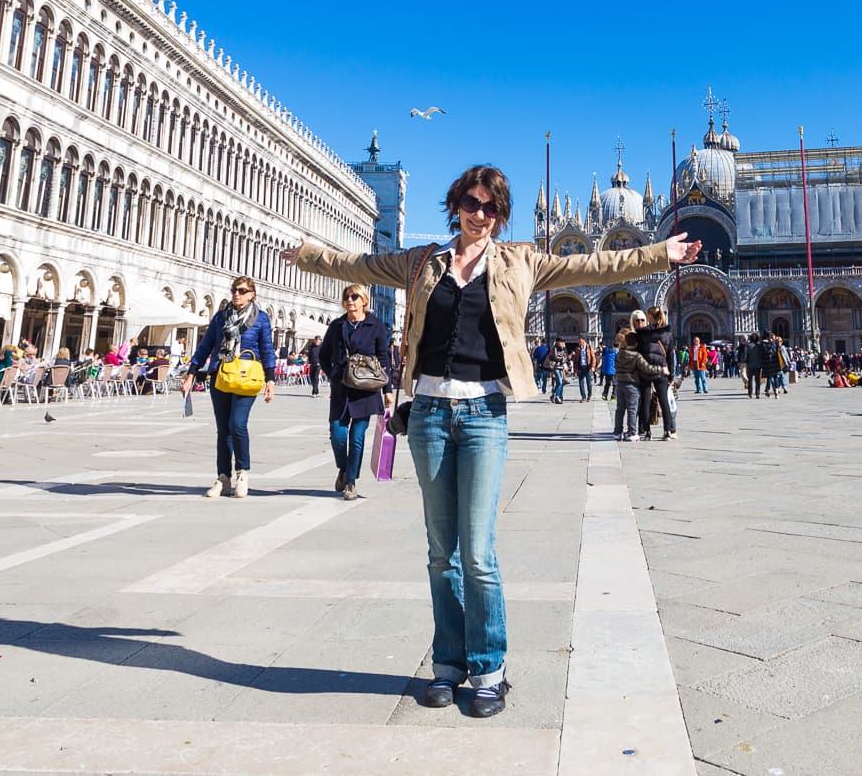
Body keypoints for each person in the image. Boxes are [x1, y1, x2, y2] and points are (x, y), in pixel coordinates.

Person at [283, 163, 698, 719]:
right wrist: (308, 253)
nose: (480, 215)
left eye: (491, 208)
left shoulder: (520, 261)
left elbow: (592, 264)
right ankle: (448, 664)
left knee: (477, 551)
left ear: (501, 215)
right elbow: (360, 264)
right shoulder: (421, 261)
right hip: (427, 411)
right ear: (455, 205)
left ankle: (489, 667)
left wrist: (658, 254)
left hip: (483, 413)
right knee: (440, 552)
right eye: (471, 204)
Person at [181, 277, 276, 498]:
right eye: (234, 290)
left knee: (237, 424)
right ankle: (223, 478)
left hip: (247, 377)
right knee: (223, 429)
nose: (237, 294)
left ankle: (243, 473)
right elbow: (205, 346)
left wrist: (270, 380)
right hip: (220, 375)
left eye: (242, 291)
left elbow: (267, 349)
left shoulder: (260, 319)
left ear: (252, 294)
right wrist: (191, 373)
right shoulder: (221, 317)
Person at [318, 283, 396, 500]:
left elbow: (384, 359)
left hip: (366, 388)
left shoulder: (376, 325)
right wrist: (332, 373)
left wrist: (387, 389)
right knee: (337, 433)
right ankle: (343, 469)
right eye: (347, 297)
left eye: (354, 296)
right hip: (342, 387)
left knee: (357, 437)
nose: (350, 300)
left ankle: (351, 481)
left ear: (364, 301)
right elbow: (323, 354)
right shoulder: (337, 326)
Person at [639, 308, 678, 439]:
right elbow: (670, 357)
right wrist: (671, 375)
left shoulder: (643, 333)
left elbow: (639, 353)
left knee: (645, 401)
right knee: (664, 401)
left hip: (646, 370)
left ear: (650, 316)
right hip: (662, 370)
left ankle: (646, 431)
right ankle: (668, 431)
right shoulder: (668, 333)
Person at [613, 325, 648, 440]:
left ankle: (617, 432)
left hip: (620, 384)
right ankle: (632, 433)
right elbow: (646, 368)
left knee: (620, 409)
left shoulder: (618, 354)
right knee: (632, 409)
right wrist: (660, 369)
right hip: (632, 384)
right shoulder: (636, 355)